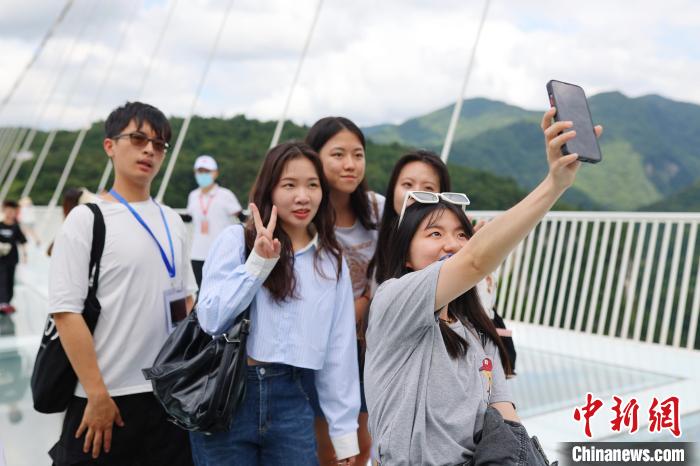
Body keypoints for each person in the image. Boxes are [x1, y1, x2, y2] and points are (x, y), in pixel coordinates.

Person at [364, 109, 602, 464]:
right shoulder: (393, 300)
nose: (452, 244)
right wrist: (555, 184)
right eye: (434, 234)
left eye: (462, 235)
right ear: (406, 256)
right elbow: (475, 260)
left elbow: (506, 418)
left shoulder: (477, 331)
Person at [47, 102, 197, 465]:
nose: (150, 150)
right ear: (110, 145)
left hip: (167, 395)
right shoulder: (86, 220)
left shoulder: (172, 221)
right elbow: (65, 313)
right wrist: (97, 393)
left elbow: (186, 302)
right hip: (105, 396)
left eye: (159, 144)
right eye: (138, 139)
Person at [192, 141, 360, 465]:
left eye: (312, 185)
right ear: (269, 189)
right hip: (227, 391)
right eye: (289, 185)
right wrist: (257, 264)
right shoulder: (236, 241)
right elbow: (210, 319)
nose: (303, 196)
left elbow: (339, 351)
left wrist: (344, 434)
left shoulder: (330, 260)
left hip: (292, 396)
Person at [305, 117, 384, 466]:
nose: (350, 164)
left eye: (358, 154)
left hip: (367, 345)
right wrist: (360, 304)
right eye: (338, 154)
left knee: (362, 443)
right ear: (315, 157)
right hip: (321, 346)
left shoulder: (377, 208)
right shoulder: (305, 212)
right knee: (328, 447)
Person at [186, 154, 242, 288]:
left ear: (215, 173)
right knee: (199, 292)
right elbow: (189, 217)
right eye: (200, 171)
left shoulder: (225, 195)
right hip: (197, 254)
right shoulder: (193, 195)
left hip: (221, 255)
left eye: (207, 171)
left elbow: (241, 217)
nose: (203, 174)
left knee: (220, 290)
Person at [0, 200, 27, 315]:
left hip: (12, 258)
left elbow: (22, 241)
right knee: (2, 279)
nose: (10, 213)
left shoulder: (16, 227)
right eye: (8, 211)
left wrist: (25, 255)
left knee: (10, 280)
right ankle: (2, 303)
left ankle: (7, 302)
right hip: (1, 259)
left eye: (12, 211)